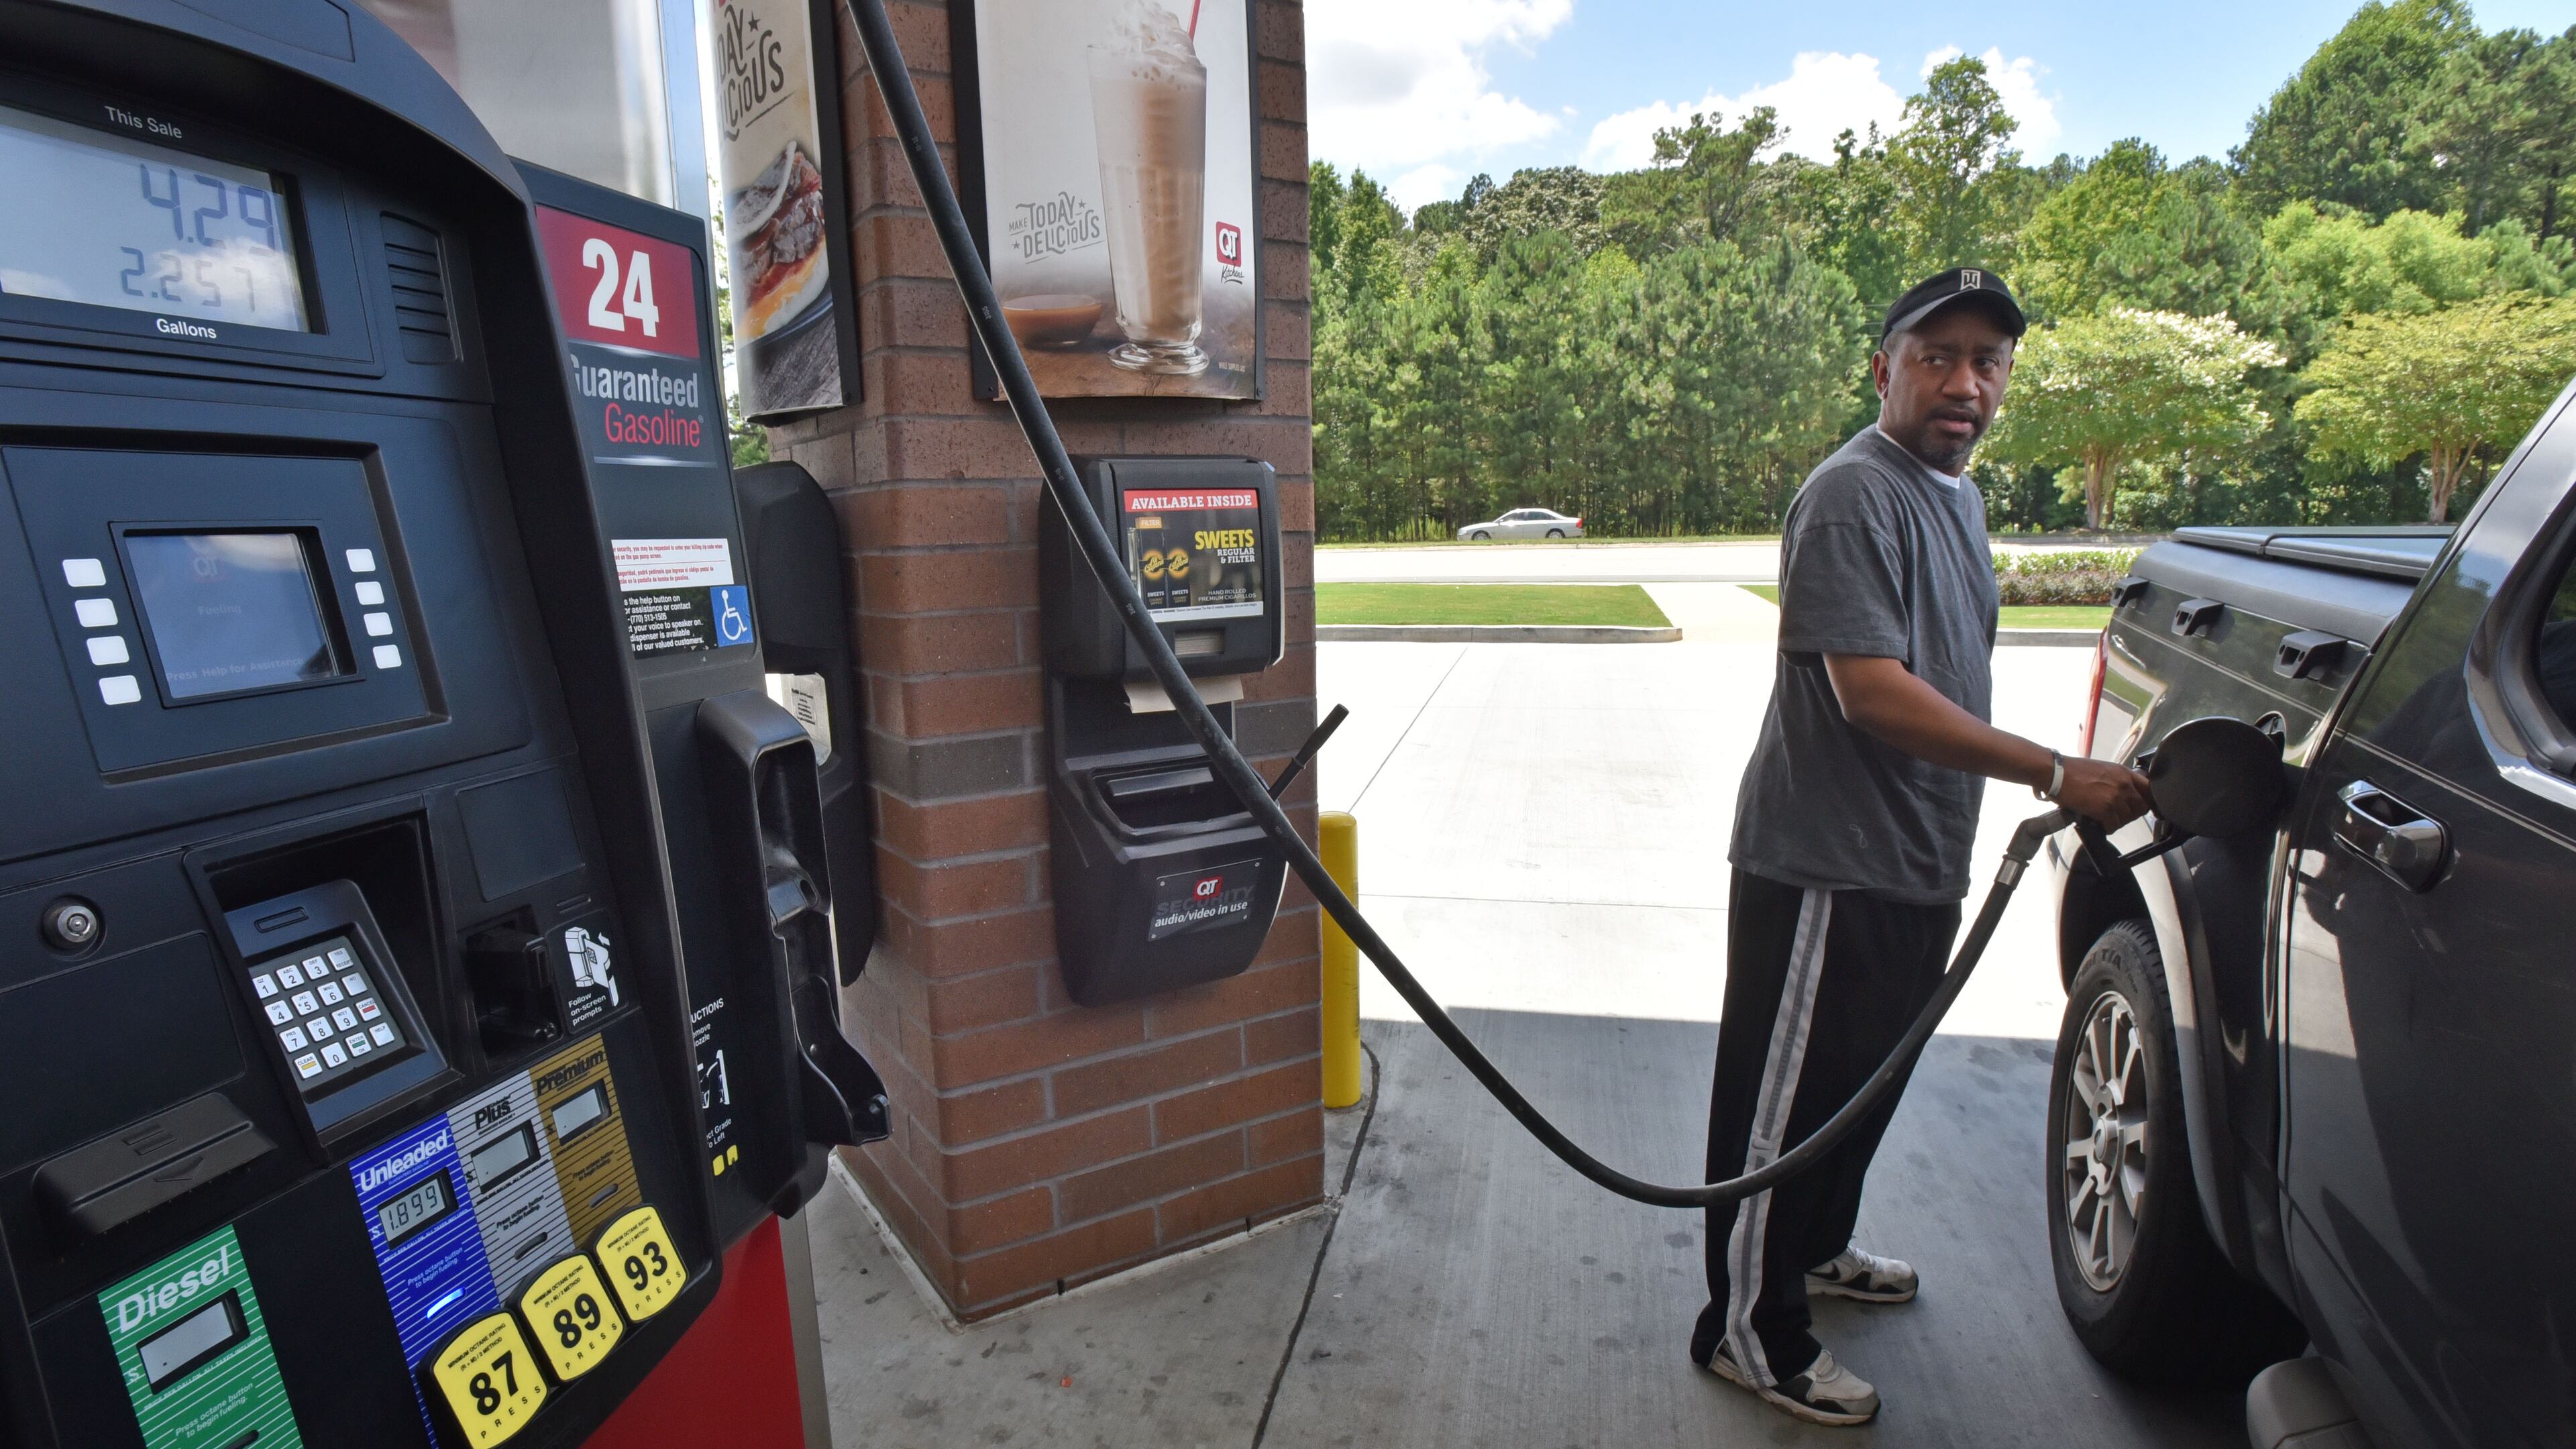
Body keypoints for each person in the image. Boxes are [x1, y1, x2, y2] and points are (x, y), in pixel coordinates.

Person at [1689, 268, 2152, 1426]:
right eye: (1937, 355)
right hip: (1827, 867)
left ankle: (1814, 1248)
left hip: (1916, 858)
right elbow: (1872, 696)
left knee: (1858, 1090)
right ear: (1884, 366)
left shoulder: (1956, 498)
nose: (1964, 382)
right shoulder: (1855, 493)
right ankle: (1747, 1329)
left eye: (1987, 362)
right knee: (1783, 1111)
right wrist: (2055, 770)